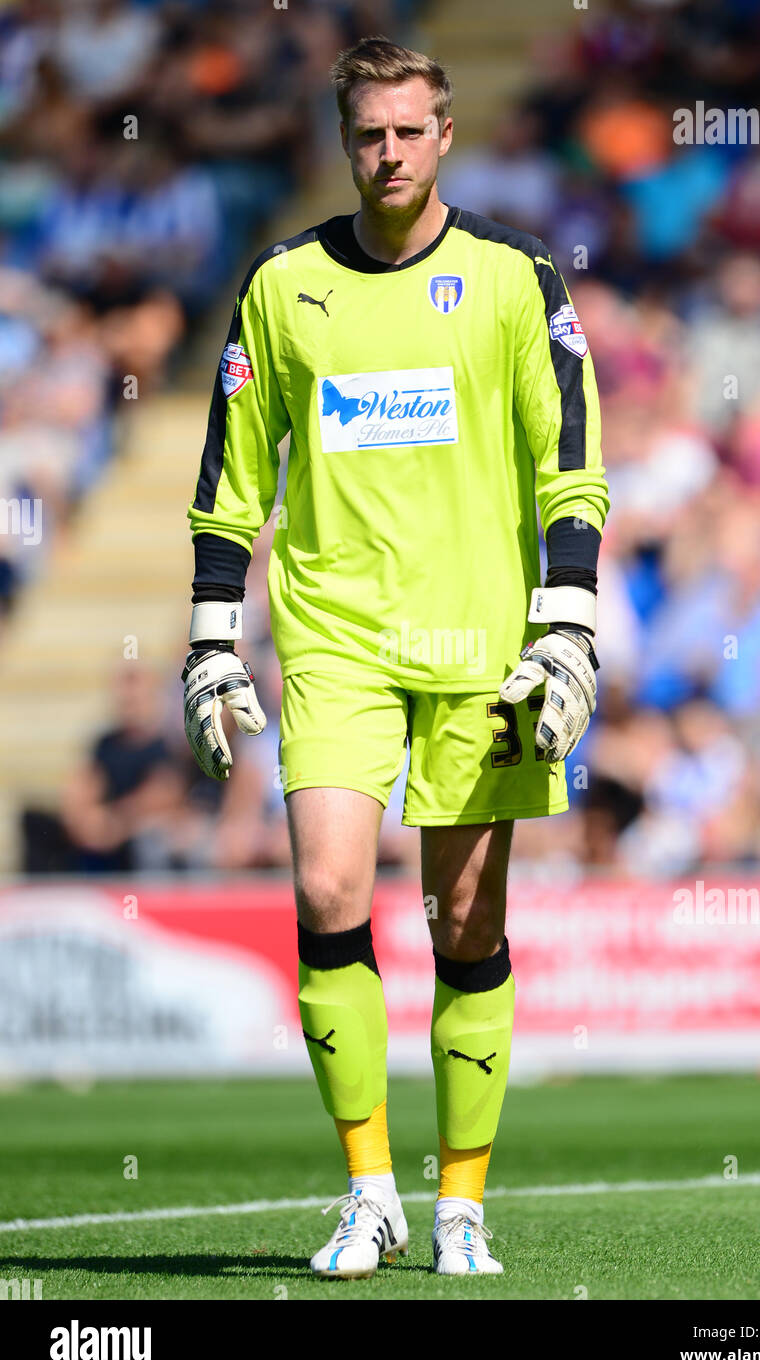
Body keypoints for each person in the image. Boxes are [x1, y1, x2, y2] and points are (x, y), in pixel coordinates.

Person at [182, 36, 607, 1279]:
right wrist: (212, 635)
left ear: (446, 136)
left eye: (410, 131)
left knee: (468, 917)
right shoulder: (280, 285)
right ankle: (370, 1190)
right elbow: (229, 483)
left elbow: (566, 464)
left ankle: (460, 1203)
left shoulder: (516, 278)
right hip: (334, 640)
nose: (389, 154)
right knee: (326, 891)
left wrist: (567, 619)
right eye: (368, 134)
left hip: (479, 639)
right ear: (344, 139)